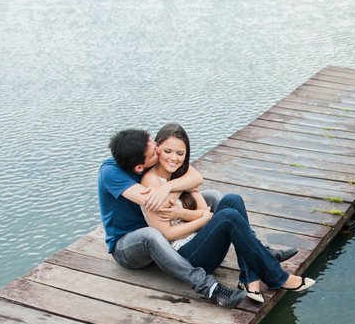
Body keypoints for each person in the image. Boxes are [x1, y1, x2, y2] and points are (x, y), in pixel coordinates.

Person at [140, 123, 314, 303]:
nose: (174, 158)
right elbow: (167, 234)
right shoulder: (151, 182)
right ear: (157, 148)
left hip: (202, 242)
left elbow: (202, 210)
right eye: (168, 151)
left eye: (180, 154)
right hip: (185, 257)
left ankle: (250, 279)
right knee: (228, 217)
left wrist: (184, 213)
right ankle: (277, 277)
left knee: (233, 199)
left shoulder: (180, 173)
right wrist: (204, 218)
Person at [98, 128, 247, 308]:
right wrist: (177, 192)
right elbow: (160, 203)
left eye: (155, 143)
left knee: (214, 196)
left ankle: (256, 247)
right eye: (155, 151)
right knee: (151, 235)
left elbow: (196, 177)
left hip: (160, 230)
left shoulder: (144, 158)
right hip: (127, 245)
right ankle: (208, 287)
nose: (160, 150)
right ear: (139, 167)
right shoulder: (111, 173)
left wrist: (167, 187)